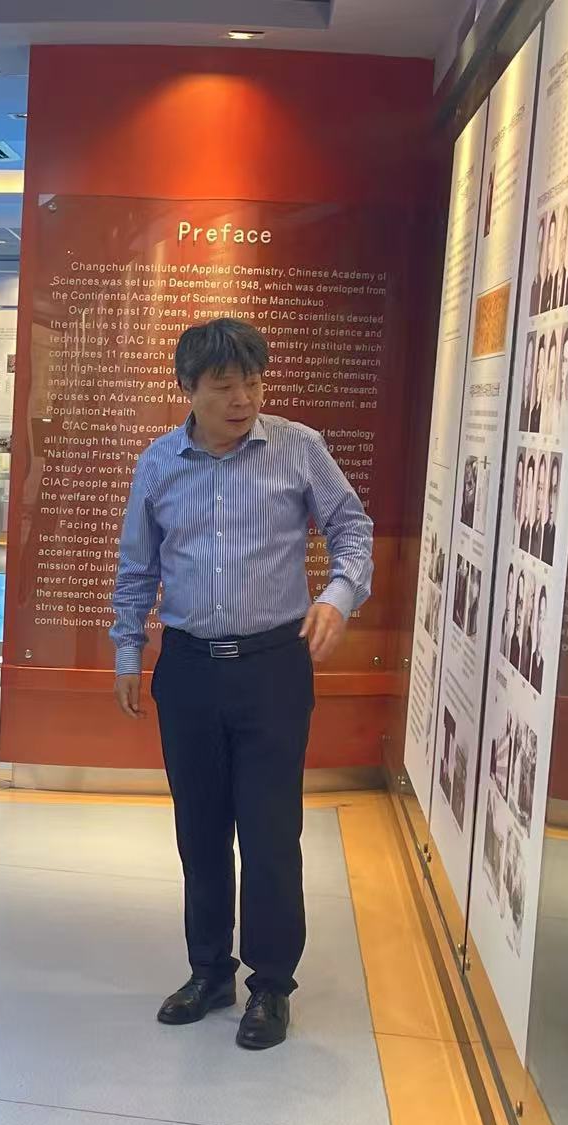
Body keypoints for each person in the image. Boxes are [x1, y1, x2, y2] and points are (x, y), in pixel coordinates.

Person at [111, 317, 373, 1052]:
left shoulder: (298, 447)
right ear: (187, 388)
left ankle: (272, 984)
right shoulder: (158, 464)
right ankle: (209, 970)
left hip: (272, 666)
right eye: (225, 386)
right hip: (189, 668)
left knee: (269, 831)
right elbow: (137, 566)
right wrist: (127, 650)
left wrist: (338, 595)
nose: (243, 400)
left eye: (254, 383)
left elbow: (352, 529)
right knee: (199, 829)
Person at [544, 453, 561, 565]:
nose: (551, 500)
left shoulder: (558, 537)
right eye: (550, 490)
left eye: (555, 491)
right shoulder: (542, 531)